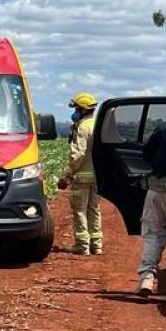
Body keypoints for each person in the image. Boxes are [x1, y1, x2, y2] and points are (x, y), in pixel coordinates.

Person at [135, 100, 166, 301]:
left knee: (153, 233)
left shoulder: (165, 127)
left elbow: (146, 154)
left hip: (156, 189)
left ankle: (146, 277)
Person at [56, 92, 102, 255]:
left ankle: (82, 246)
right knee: (94, 209)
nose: (74, 112)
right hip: (98, 177)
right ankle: (96, 245)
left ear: (82, 110)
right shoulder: (98, 125)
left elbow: (78, 154)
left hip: (81, 177)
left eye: (76, 108)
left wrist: (66, 174)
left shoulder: (82, 127)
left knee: (80, 210)